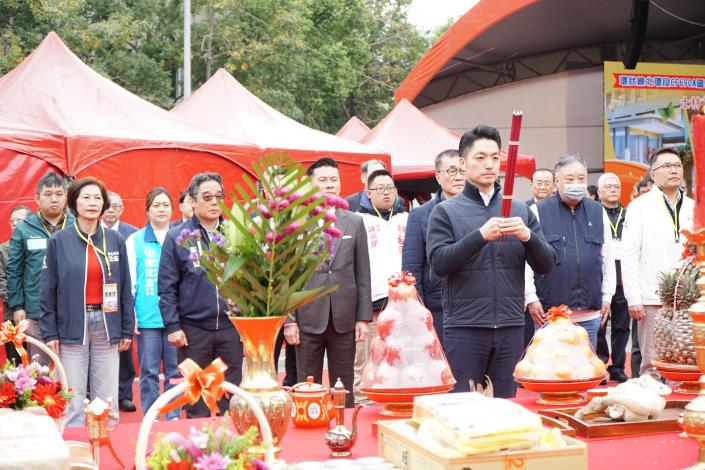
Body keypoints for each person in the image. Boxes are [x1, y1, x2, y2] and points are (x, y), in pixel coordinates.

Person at [427, 125, 554, 398]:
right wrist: (480, 236)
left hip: (511, 325)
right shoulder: (445, 211)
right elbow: (438, 264)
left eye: (495, 158)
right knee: (464, 406)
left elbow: (547, 265)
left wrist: (528, 236)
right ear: (463, 163)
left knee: (505, 406)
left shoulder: (520, 211)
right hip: (465, 326)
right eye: (480, 157)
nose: (489, 164)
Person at [40, 177, 134, 427]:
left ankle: (108, 446)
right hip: (72, 324)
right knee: (72, 397)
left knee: (107, 399)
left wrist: (126, 328)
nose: (93, 203)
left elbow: (125, 287)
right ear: (74, 203)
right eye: (86, 197)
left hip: (107, 323)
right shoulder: (59, 240)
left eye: (97, 198)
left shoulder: (115, 240)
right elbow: (47, 290)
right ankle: (75, 448)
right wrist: (50, 332)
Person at [283, 158, 372, 407]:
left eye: (334, 179)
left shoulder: (354, 221)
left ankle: (344, 425)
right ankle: (309, 424)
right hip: (307, 318)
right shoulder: (295, 223)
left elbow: (363, 272)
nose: (330, 185)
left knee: (343, 387)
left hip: (344, 317)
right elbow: (285, 276)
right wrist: (289, 320)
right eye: (322, 180)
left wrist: (363, 318)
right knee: (306, 386)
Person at [158, 172, 243, 417]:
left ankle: (231, 439)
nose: (215, 202)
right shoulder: (177, 237)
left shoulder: (235, 234)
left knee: (230, 398)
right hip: (193, 332)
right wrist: (173, 326)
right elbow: (166, 286)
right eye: (207, 197)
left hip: (230, 329)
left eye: (219, 196)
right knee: (197, 402)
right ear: (192, 201)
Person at [525, 154, 616, 348]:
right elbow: (527, 261)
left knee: (586, 364)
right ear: (557, 181)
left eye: (581, 178)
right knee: (549, 364)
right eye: (570, 178)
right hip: (550, 314)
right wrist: (530, 297)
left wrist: (608, 296)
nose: (576, 183)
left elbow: (607, 257)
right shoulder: (538, 211)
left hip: (590, 314)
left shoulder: (597, 211)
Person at [622, 148, 694, 378]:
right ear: (652, 174)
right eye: (667, 166)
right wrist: (634, 297)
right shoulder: (639, 207)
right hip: (652, 298)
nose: (674, 170)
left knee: (687, 359)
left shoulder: (693, 207)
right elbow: (629, 254)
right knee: (652, 364)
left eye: (677, 165)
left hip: (689, 299)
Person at [7, 172, 74, 365]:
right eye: (48, 194)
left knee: (70, 367)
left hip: (72, 309)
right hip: (36, 310)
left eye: (59, 194)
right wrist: (17, 306)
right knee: (39, 368)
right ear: (37, 198)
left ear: (66, 197)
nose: (54, 199)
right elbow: (14, 270)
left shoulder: (76, 224)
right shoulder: (24, 228)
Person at [354, 169, 408, 403]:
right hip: (372, 299)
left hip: (403, 300)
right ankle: (362, 399)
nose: (386, 193)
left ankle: (398, 397)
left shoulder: (407, 218)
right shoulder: (358, 220)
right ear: (368, 192)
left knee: (400, 354)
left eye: (390, 188)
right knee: (367, 356)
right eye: (380, 188)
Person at [125, 188, 180, 419]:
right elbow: (129, 281)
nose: (161, 209)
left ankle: (173, 414)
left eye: (166, 205)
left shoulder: (180, 237)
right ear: (147, 211)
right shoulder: (135, 240)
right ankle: (152, 416)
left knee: (175, 370)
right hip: (147, 316)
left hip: (175, 317)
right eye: (156, 205)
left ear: (172, 209)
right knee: (148, 370)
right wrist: (132, 316)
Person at [401, 149, 463, 344]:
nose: (458, 177)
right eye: (451, 171)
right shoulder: (420, 215)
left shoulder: (482, 210)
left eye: (463, 171)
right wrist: (417, 310)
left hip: (475, 305)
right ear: (438, 177)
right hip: (437, 305)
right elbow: (411, 267)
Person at [102, 191, 138, 413]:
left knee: (124, 346)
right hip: (98, 297)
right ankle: (98, 395)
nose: (111, 210)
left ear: (122, 209)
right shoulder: (91, 232)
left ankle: (124, 394)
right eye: (108, 205)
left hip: (123, 295)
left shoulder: (132, 234)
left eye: (116, 206)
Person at [596, 173, 630, 383]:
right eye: (608, 186)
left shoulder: (629, 214)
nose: (613, 190)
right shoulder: (593, 214)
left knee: (622, 325)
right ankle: (600, 365)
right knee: (599, 325)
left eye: (616, 186)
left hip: (625, 277)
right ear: (599, 192)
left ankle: (618, 367)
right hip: (601, 276)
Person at [522, 167, 555, 347]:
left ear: (554, 185)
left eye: (547, 183)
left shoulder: (559, 210)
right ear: (531, 185)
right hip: (529, 276)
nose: (542, 187)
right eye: (539, 183)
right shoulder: (522, 209)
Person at [0, 206, 32, 364]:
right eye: (12, 220)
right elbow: (2, 282)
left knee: (39, 361)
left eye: (19, 220)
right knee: (16, 362)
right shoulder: (2, 249)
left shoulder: (37, 245)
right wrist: (17, 303)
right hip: (12, 313)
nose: (14, 223)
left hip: (38, 311)